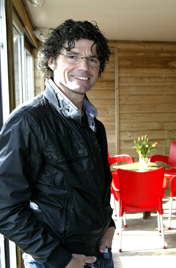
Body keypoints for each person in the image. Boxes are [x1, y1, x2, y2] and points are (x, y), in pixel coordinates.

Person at [0, 19, 115, 268]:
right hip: (57, 261)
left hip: (99, 254)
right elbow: (5, 208)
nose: (84, 66)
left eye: (93, 59)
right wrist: (59, 259)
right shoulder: (27, 121)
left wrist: (109, 224)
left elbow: (96, 188)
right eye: (72, 56)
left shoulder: (96, 125)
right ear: (51, 61)